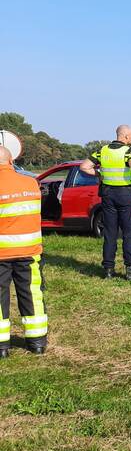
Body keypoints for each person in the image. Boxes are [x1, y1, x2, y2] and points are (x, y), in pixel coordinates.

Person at [80, 125, 131, 280]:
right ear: (127, 136)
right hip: (126, 195)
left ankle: (108, 269)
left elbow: (84, 167)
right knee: (129, 233)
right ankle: (130, 270)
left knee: (110, 233)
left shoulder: (102, 151)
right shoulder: (128, 152)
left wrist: (99, 174)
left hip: (108, 195)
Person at [0, 146, 47, 357]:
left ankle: (2, 347)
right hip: (30, 251)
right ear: (11, 161)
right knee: (32, 294)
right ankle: (37, 342)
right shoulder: (31, 184)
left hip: (1, 253)